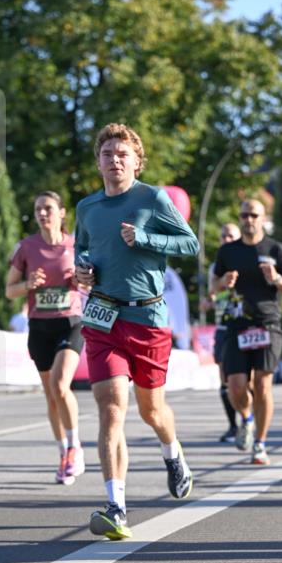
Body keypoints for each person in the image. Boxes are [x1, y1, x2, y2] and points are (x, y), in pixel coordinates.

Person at [74, 122, 199, 540]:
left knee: (151, 413)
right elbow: (82, 251)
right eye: (108, 154)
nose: (115, 160)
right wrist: (82, 272)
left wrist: (146, 238)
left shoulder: (153, 199)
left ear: (136, 161)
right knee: (111, 410)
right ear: (99, 162)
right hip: (103, 319)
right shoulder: (87, 208)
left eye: (123, 154)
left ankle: (173, 451)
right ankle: (116, 506)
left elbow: (190, 244)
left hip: (147, 320)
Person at [212, 198, 282, 465]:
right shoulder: (228, 252)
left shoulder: (277, 249)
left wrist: (277, 279)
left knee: (262, 386)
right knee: (235, 388)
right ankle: (247, 419)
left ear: (263, 218)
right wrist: (222, 282)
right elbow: (213, 286)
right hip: (237, 323)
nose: (248, 220)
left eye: (253, 215)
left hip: (267, 324)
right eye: (244, 215)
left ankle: (260, 444)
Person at [6, 191, 85, 485]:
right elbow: (9, 290)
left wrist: (79, 279)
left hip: (70, 323)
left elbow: (91, 280)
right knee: (52, 397)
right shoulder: (27, 247)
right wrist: (28, 283)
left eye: (48, 208)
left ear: (62, 213)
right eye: (38, 208)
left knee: (61, 385)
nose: (42, 213)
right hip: (39, 326)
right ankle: (63, 452)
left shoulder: (76, 245)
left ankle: (76, 446)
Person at [207, 222, 241, 441]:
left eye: (230, 236)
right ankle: (233, 426)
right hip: (223, 325)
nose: (226, 240)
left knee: (247, 379)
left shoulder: (247, 261)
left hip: (246, 325)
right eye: (223, 236)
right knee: (224, 378)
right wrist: (209, 301)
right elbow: (213, 293)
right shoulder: (216, 266)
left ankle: (250, 418)